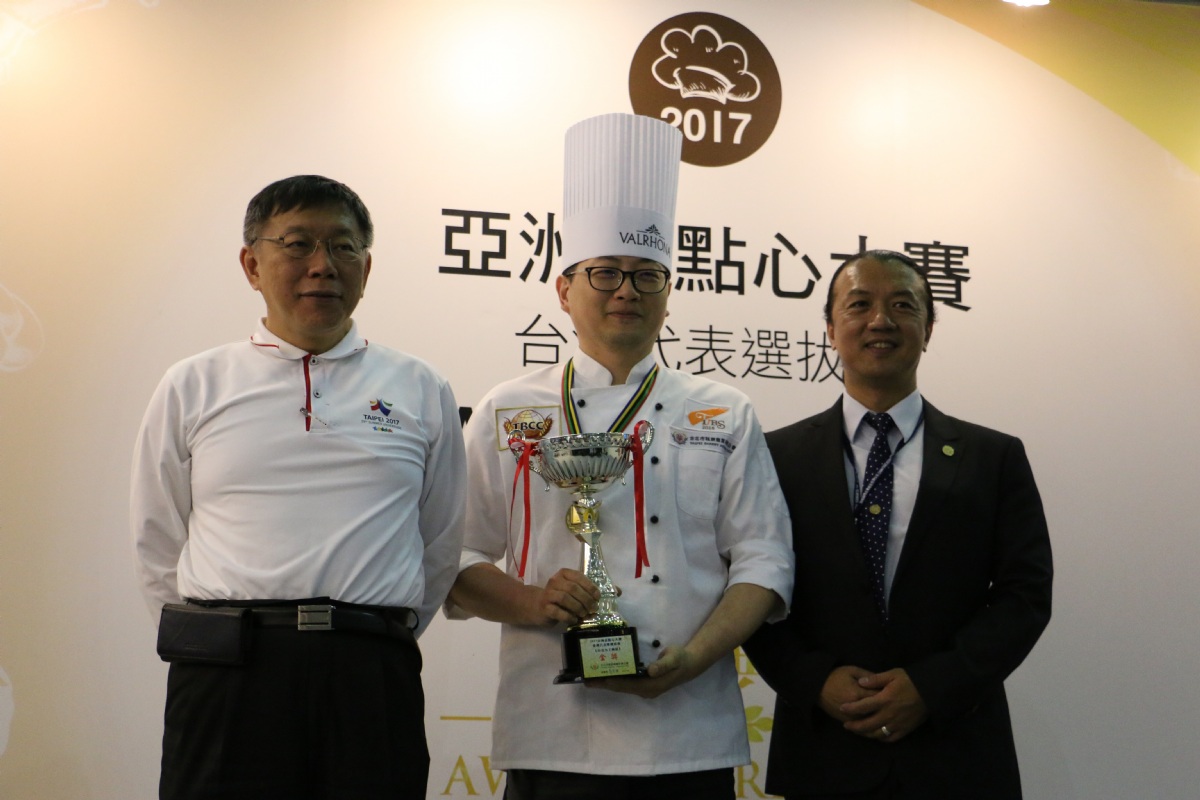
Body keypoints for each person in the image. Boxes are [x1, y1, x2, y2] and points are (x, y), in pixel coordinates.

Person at [445, 113, 794, 800]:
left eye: (646, 276)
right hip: (549, 726)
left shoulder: (724, 410)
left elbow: (764, 561)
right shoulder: (508, 409)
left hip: (686, 731)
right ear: (564, 289)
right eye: (604, 273)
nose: (626, 291)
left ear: (669, 293)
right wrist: (533, 600)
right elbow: (453, 556)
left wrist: (693, 659)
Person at [131, 174, 466, 799]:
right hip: (228, 672)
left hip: (371, 673)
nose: (322, 265)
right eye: (297, 244)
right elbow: (156, 537)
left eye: (342, 247)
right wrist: (211, 640)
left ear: (367, 268)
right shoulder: (194, 383)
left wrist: (370, 633)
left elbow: (440, 540)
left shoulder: (421, 386)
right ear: (251, 265)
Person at [741, 250, 1054, 800]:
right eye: (859, 304)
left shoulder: (993, 457)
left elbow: (1024, 595)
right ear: (830, 328)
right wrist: (815, 681)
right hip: (824, 753)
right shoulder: (775, 456)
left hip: (956, 752)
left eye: (903, 306)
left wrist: (932, 688)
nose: (880, 320)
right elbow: (752, 587)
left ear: (928, 330)